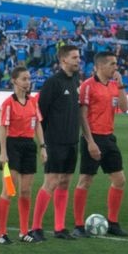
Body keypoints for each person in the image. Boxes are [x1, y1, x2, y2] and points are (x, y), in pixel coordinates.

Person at [76, 50, 128, 237]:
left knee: (119, 180)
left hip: (109, 138)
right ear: (99, 66)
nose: (116, 67)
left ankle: (113, 223)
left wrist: (121, 84)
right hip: (93, 138)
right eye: (112, 64)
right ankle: (78, 226)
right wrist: (90, 142)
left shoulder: (115, 86)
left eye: (116, 64)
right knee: (85, 180)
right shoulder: (87, 86)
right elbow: (82, 116)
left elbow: (124, 108)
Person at [37, 43, 84, 239]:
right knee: (51, 182)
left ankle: (59, 227)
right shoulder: (52, 83)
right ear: (63, 59)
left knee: (64, 182)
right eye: (74, 57)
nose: (78, 60)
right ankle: (36, 227)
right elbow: (41, 114)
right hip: (55, 142)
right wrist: (45, 143)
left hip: (72, 141)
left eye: (78, 57)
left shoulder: (75, 81)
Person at [0, 65, 45, 243]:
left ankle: (24, 232)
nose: (27, 82)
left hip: (28, 147)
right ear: (14, 81)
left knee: (26, 190)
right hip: (12, 147)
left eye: (28, 79)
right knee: (9, 189)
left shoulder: (33, 102)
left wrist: (43, 146)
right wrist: (3, 153)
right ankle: (1, 233)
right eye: (24, 79)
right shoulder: (8, 104)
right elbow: (3, 128)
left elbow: (38, 124)